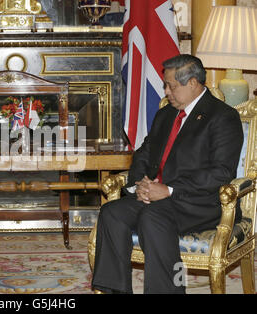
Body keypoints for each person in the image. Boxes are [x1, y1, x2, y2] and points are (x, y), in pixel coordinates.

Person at [91, 54, 243, 294]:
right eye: (165, 85)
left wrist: (169, 190)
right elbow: (144, 152)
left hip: (197, 202)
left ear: (193, 83)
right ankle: (115, 290)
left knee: (153, 217)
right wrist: (138, 185)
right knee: (112, 213)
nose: (167, 91)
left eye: (171, 86)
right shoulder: (166, 114)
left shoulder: (222, 117)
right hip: (155, 196)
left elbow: (221, 172)